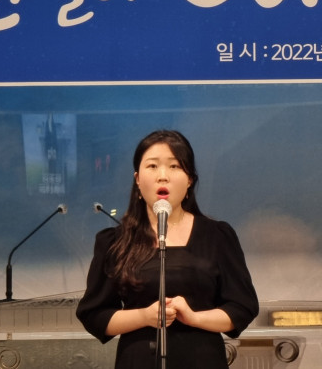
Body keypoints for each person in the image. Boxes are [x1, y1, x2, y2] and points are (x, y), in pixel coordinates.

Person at [76, 130, 258, 369]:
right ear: (137, 179)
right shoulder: (114, 241)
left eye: (174, 166)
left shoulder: (217, 236)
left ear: (190, 179)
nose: (163, 176)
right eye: (152, 166)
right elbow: (95, 315)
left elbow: (241, 307)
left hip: (202, 360)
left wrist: (194, 318)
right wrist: (144, 316)